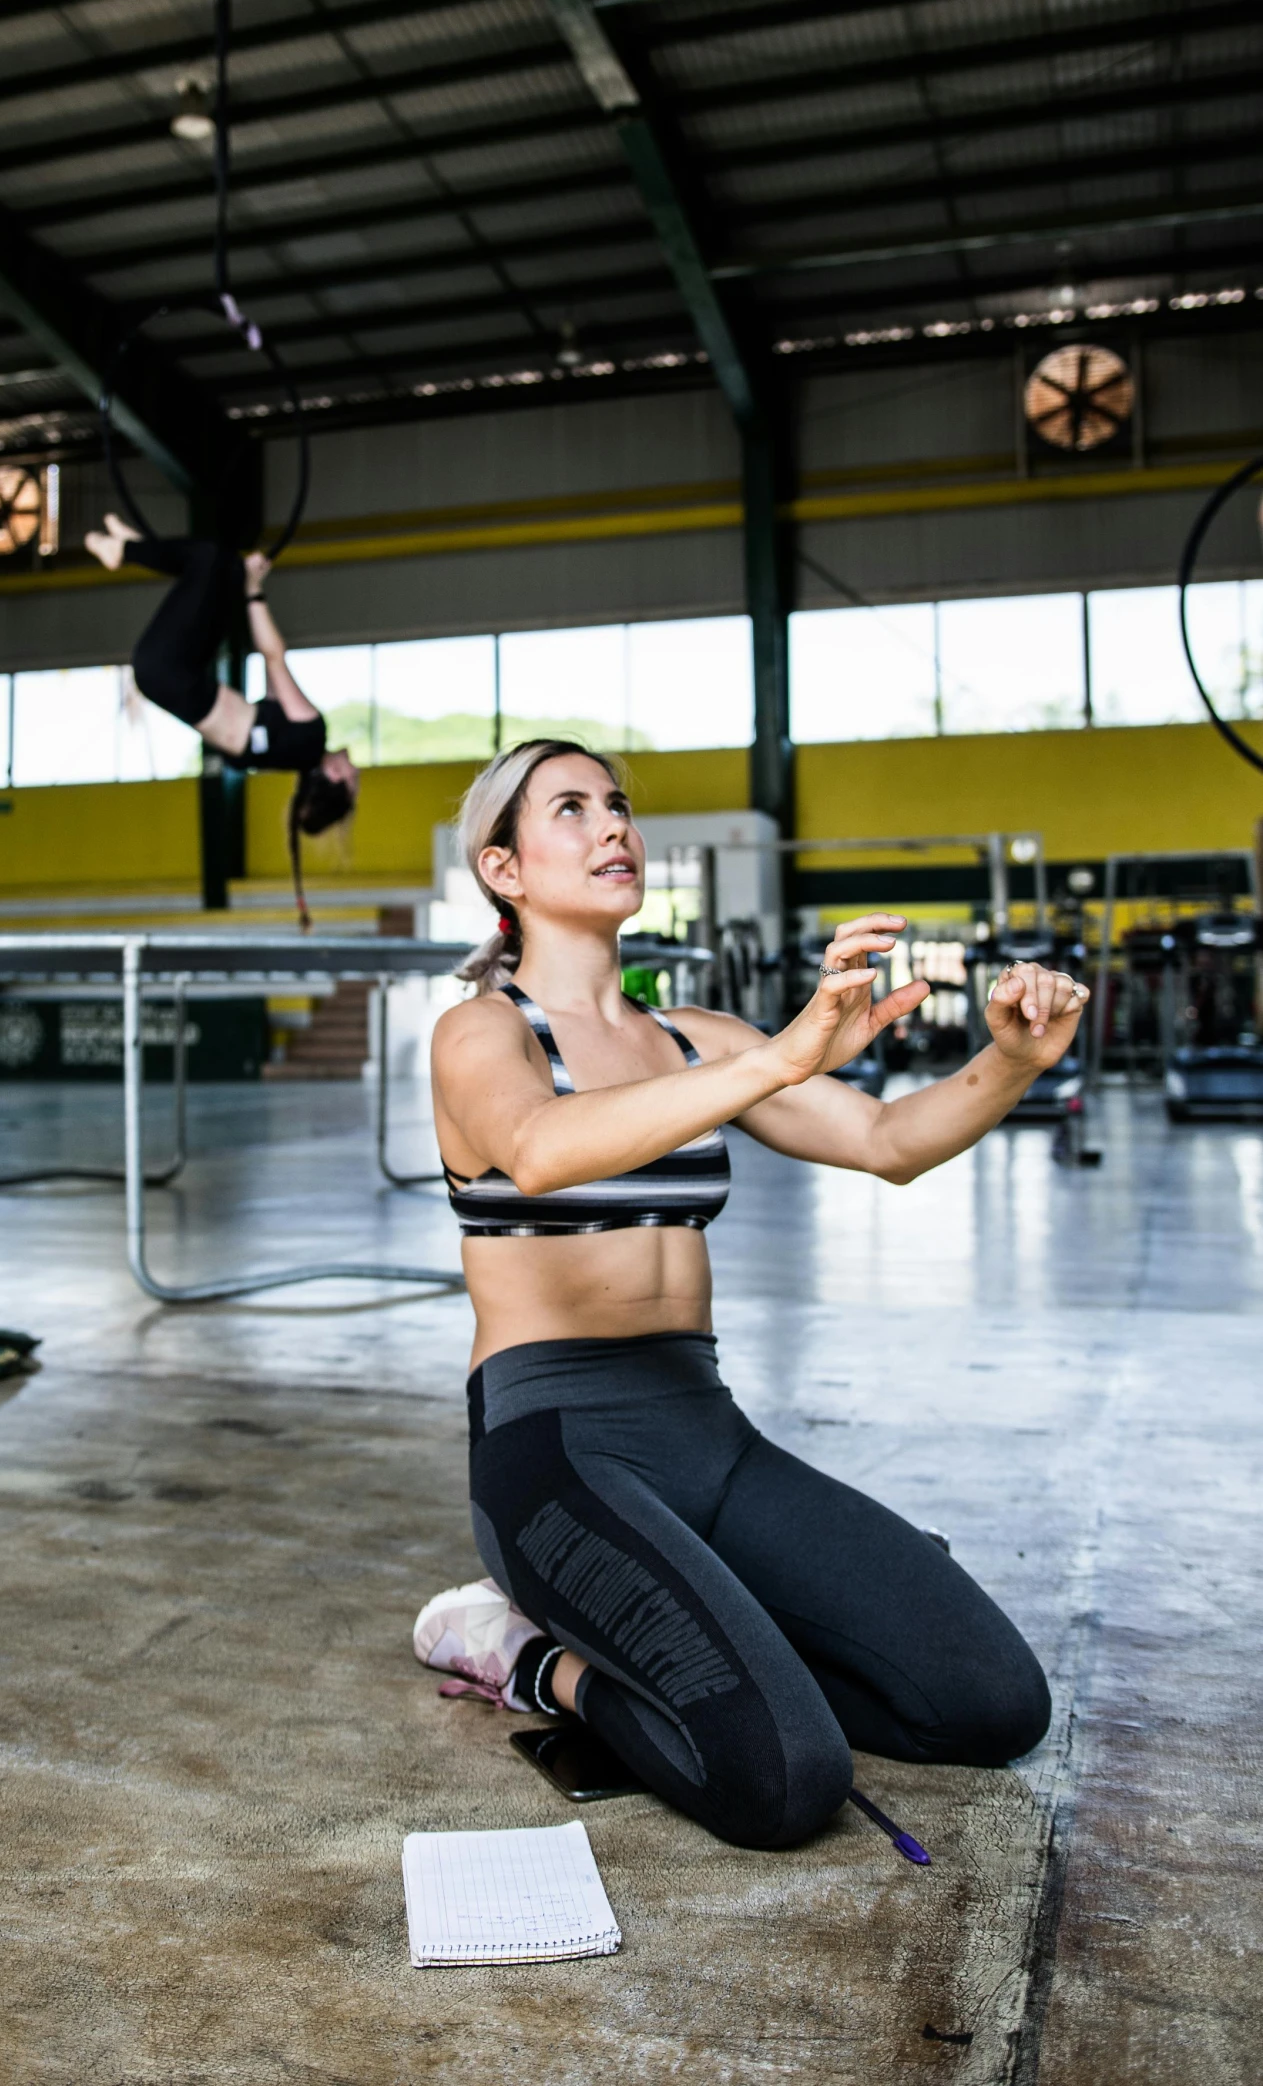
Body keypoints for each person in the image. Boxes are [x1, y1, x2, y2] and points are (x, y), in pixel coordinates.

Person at [414, 737, 1084, 1851]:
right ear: (504, 871)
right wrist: (777, 1059)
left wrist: (1009, 1059)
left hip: (704, 1433)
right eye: (569, 810)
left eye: (618, 805)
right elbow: (535, 1150)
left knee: (990, 1702)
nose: (613, 825)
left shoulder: (696, 1039)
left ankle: (732, 1633)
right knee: (783, 1778)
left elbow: (883, 1140)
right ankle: (527, 1654)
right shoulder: (482, 1032)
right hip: (558, 1453)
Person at [86, 515, 357, 922]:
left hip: (170, 670)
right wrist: (248, 585)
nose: (354, 766)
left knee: (212, 559)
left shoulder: (310, 738)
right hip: (179, 675)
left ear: (334, 776)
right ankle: (133, 546)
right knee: (223, 568)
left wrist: (254, 590)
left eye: (354, 776)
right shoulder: (286, 754)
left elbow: (274, 658)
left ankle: (125, 550)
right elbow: (271, 678)